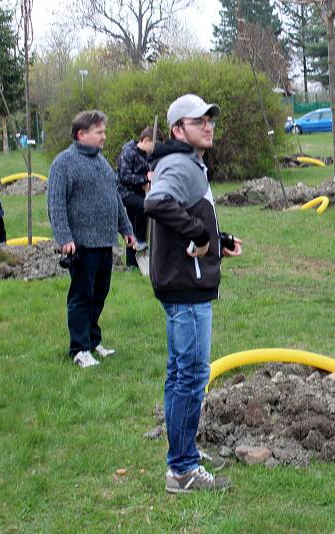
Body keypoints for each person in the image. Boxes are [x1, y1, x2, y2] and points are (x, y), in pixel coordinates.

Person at [144, 94, 241, 493]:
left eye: (210, 119)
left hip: (183, 281)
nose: (208, 125)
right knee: (192, 375)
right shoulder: (180, 164)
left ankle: (183, 453)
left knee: (179, 374)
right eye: (198, 120)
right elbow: (156, 202)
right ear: (177, 130)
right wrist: (200, 234)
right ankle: (181, 469)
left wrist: (217, 239)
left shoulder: (188, 164)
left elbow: (186, 215)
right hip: (186, 287)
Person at [47, 110, 135, 369]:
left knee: (99, 295)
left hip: (104, 242)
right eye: (99, 132)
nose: (104, 136)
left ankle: (93, 341)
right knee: (82, 296)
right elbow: (56, 204)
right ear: (81, 134)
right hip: (81, 244)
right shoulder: (63, 163)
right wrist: (64, 237)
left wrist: (126, 228)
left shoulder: (102, 162)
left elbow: (115, 198)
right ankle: (79, 349)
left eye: (103, 131)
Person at [117, 126, 162, 268]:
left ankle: (132, 264)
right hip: (124, 193)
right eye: (154, 145)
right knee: (145, 205)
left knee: (131, 227)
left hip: (139, 193)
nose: (154, 149)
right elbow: (124, 176)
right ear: (146, 140)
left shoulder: (148, 156)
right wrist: (144, 179)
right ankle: (142, 241)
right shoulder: (128, 152)